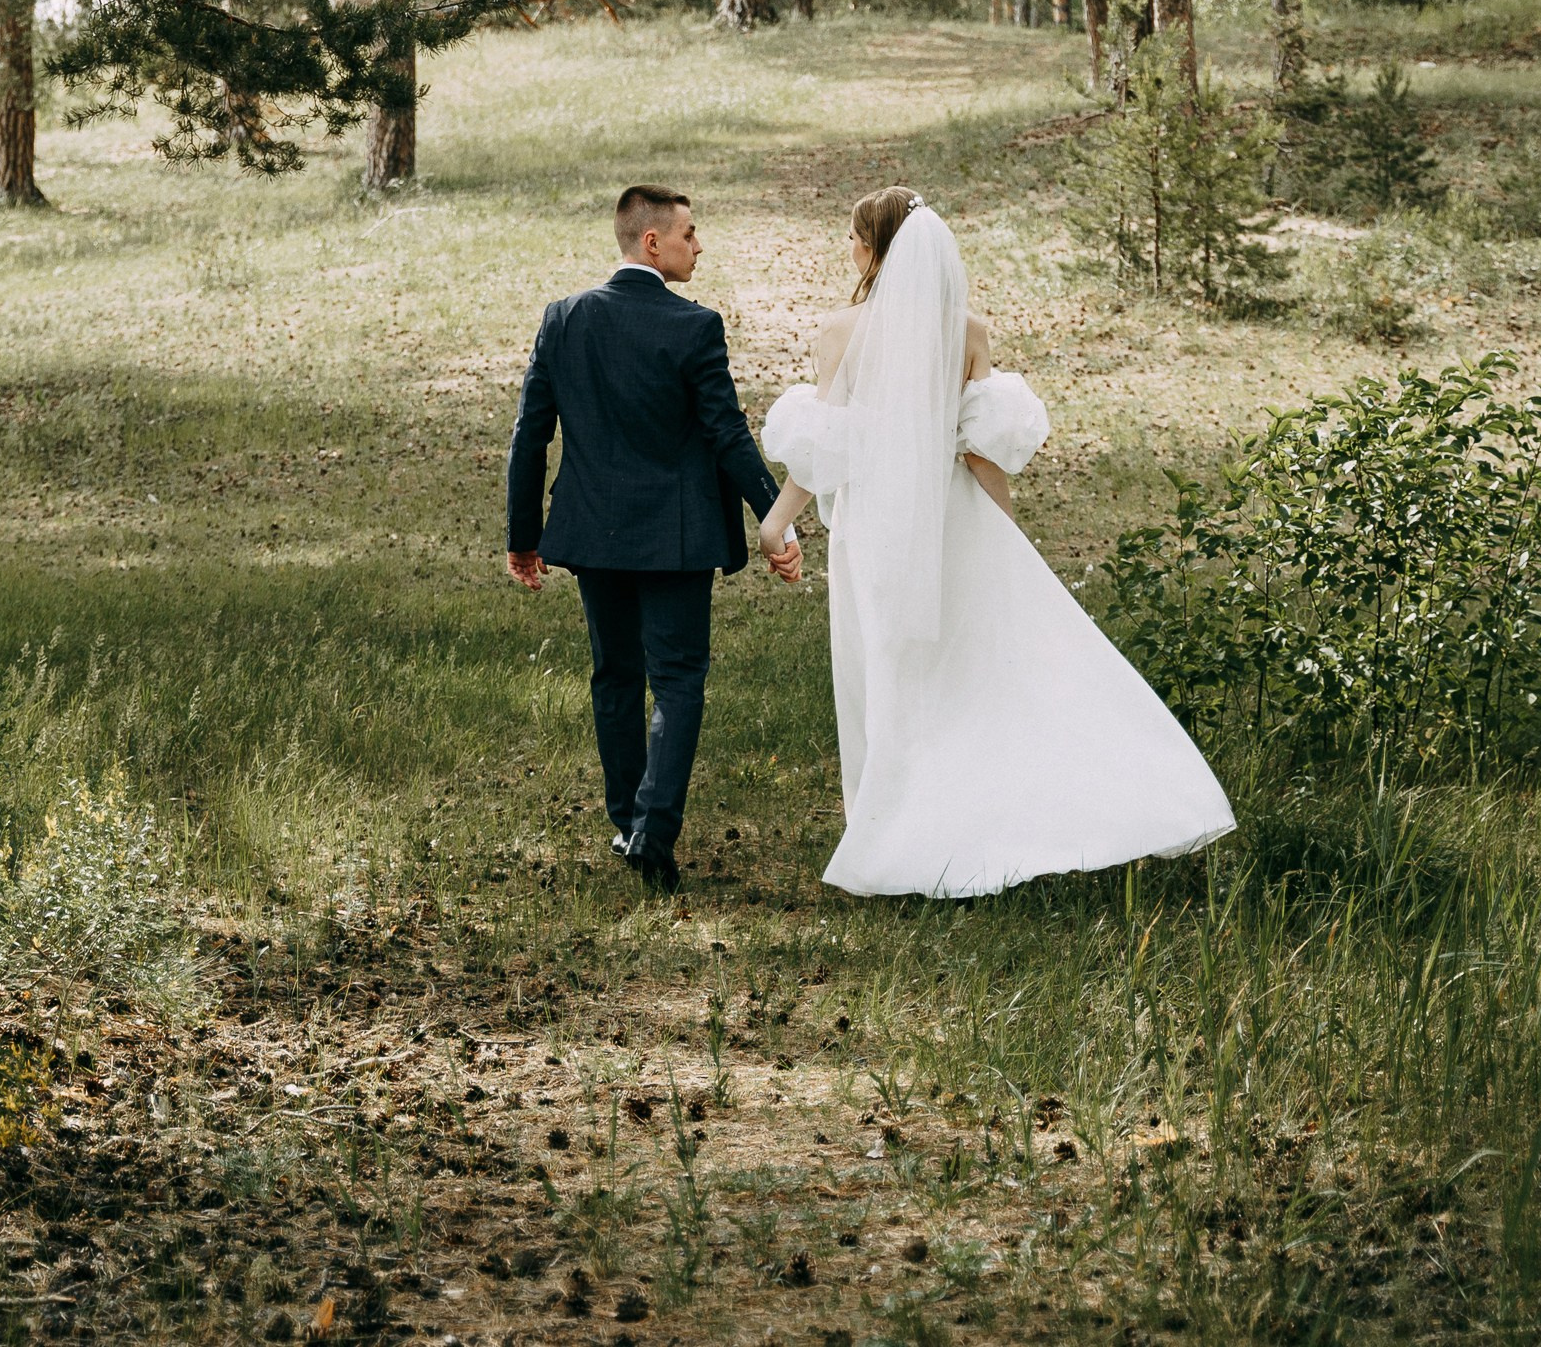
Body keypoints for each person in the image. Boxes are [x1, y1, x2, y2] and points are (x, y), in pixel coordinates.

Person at [758, 188, 1233, 898]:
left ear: (877, 248)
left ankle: (892, 828)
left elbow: (830, 448)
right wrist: (1006, 534)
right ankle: (957, 816)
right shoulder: (967, 331)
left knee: (885, 667)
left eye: (854, 236)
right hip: (952, 520)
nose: (848, 248)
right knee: (963, 670)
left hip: (878, 527)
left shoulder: (840, 332)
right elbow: (981, 451)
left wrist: (774, 521)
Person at [505, 182, 799, 895]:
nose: (699, 245)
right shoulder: (694, 327)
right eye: (691, 233)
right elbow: (724, 434)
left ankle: (626, 822)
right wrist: (774, 519)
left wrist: (523, 534)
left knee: (614, 674)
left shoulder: (563, 318)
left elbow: (530, 434)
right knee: (676, 680)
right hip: (676, 538)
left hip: (594, 533)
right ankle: (652, 831)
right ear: (652, 242)